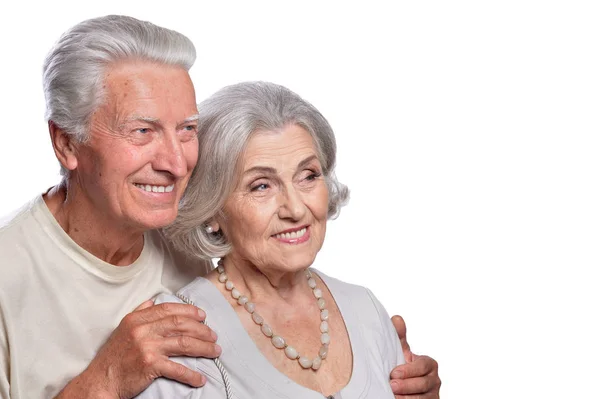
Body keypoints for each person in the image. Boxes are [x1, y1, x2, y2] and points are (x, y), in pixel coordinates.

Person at [0, 15, 439, 399]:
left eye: (187, 129)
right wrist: (106, 380)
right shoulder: (9, 276)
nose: (176, 163)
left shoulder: (185, 244)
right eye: (142, 131)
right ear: (65, 142)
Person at [135, 81, 434, 398]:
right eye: (261, 186)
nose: (295, 208)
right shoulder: (183, 332)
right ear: (212, 208)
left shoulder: (365, 309)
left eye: (308, 176)